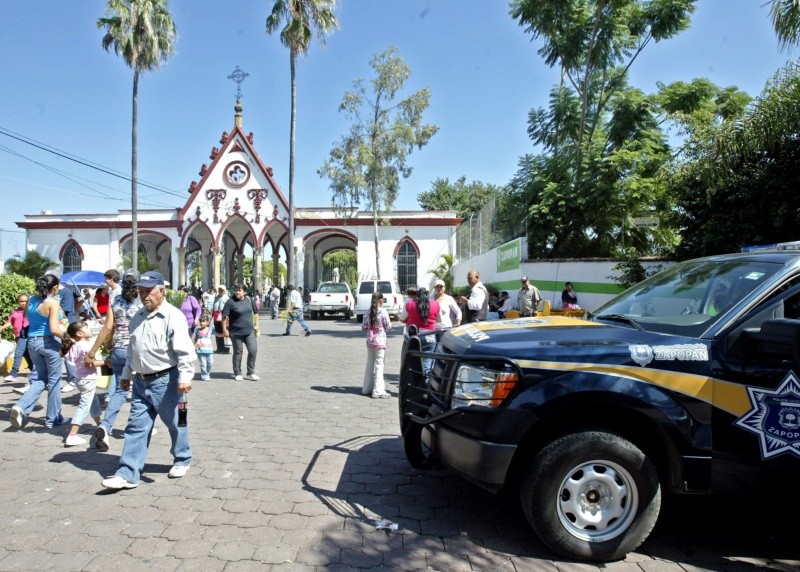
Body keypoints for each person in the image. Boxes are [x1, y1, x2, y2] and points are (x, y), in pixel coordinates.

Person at [101, 271, 194, 490]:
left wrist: (185, 377)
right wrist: (126, 373)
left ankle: (182, 458)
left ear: (162, 291)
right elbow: (132, 349)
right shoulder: (138, 316)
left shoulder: (173, 316)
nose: (144, 296)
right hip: (141, 382)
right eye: (141, 291)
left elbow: (184, 350)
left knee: (178, 422)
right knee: (136, 427)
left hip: (169, 381)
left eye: (148, 291)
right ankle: (128, 473)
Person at [85, 270, 142, 451]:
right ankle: (139, 426)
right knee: (141, 390)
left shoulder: (115, 301)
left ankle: (105, 426)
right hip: (138, 351)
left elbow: (108, 327)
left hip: (118, 350)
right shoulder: (142, 301)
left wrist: (94, 351)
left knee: (119, 391)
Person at [9, 274, 66, 429]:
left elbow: (26, 316)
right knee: (54, 381)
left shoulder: (31, 299)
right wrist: (70, 338)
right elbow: (54, 329)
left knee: (40, 378)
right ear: (55, 287)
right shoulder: (52, 303)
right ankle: (52, 419)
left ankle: (20, 406)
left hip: (32, 342)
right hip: (48, 342)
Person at [61, 320, 104, 447]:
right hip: (88, 380)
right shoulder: (86, 346)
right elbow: (90, 363)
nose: (89, 329)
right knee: (84, 406)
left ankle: (101, 425)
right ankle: (72, 435)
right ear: (79, 333)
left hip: (80, 379)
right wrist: (106, 362)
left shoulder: (75, 346)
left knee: (93, 402)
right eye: (86, 327)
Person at [399, 286, 440, 375]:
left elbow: (402, 318)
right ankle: (425, 381)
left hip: (414, 337)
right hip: (429, 336)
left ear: (417, 293)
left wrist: (409, 320)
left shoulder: (410, 304)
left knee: (411, 363)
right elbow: (439, 319)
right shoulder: (435, 304)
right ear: (428, 293)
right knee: (427, 365)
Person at [222, 284, 259, 381]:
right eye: (236, 290)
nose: (237, 292)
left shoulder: (249, 300)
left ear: (245, 292)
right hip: (236, 332)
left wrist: (257, 324)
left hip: (249, 331)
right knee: (238, 352)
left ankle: (250, 372)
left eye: (240, 290)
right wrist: (225, 330)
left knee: (253, 350)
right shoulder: (230, 302)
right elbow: (224, 317)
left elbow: (256, 313)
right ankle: (237, 372)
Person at [361, 292, 391, 398]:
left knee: (369, 364)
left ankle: (366, 388)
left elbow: (364, 326)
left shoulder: (367, 312)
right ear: (381, 300)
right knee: (379, 365)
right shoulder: (383, 312)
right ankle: (378, 390)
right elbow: (388, 326)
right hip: (380, 341)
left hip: (370, 341)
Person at [1, 294, 30, 383]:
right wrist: (1, 328)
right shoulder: (16, 312)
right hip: (18, 336)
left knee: (18, 354)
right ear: (18, 302)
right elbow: (9, 322)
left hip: (26, 335)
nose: (23, 303)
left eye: (25, 301)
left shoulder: (30, 311)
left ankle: (13, 374)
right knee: (26, 354)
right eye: (21, 301)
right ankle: (34, 370)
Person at [193, 313, 214, 381]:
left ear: (207, 322)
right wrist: (193, 346)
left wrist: (224, 333)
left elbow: (217, 333)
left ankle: (207, 374)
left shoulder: (210, 329)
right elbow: (195, 339)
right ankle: (204, 375)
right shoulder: (197, 330)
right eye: (201, 321)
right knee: (203, 364)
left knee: (210, 363)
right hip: (200, 350)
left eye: (203, 321)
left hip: (209, 350)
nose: (201, 323)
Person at [212, 285, 230, 353]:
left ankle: (225, 349)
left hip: (223, 317)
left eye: (222, 290)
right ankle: (219, 348)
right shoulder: (216, 297)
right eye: (219, 290)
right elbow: (214, 307)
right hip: (216, 317)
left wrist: (228, 320)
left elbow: (229, 309)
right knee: (217, 332)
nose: (220, 291)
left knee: (224, 332)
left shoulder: (227, 298)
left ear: (224, 291)